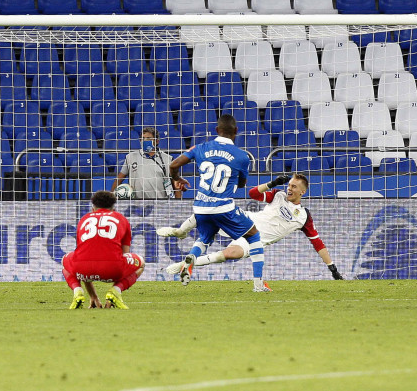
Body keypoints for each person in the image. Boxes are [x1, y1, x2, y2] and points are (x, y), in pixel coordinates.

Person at [158, 174, 345, 281]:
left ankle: (187, 265)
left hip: (256, 239)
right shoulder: (277, 195)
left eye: (294, 187)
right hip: (246, 221)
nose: (289, 189)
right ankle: (180, 231)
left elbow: (318, 244)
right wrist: (272, 183)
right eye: (289, 185)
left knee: (230, 254)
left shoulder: (304, 217)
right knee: (213, 209)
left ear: (302, 192)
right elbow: (253, 193)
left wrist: (333, 269)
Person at [167, 114, 271, 292]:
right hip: (223, 207)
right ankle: (258, 285)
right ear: (236, 131)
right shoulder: (242, 156)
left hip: (200, 206)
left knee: (205, 238)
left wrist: (177, 179)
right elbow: (242, 184)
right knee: (253, 236)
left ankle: (191, 258)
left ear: (216, 130)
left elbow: (173, 164)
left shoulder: (200, 147)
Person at [62, 190, 145, 309]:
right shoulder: (121, 219)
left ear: (93, 207)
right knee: (141, 262)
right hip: (113, 271)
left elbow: (83, 253)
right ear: (113, 208)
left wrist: (93, 295)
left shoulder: (84, 219)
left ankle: (77, 290)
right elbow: (124, 255)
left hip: (83, 270)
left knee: (66, 261)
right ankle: (116, 291)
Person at [111, 127, 180, 199]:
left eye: (149, 138)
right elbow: (118, 180)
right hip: (137, 204)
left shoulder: (168, 159)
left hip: (160, 204)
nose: (145, 141)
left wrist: (178, 205)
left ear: (157, 141)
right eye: (143, 138)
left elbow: (177, 185)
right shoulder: (131, 157)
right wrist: (111, 200)